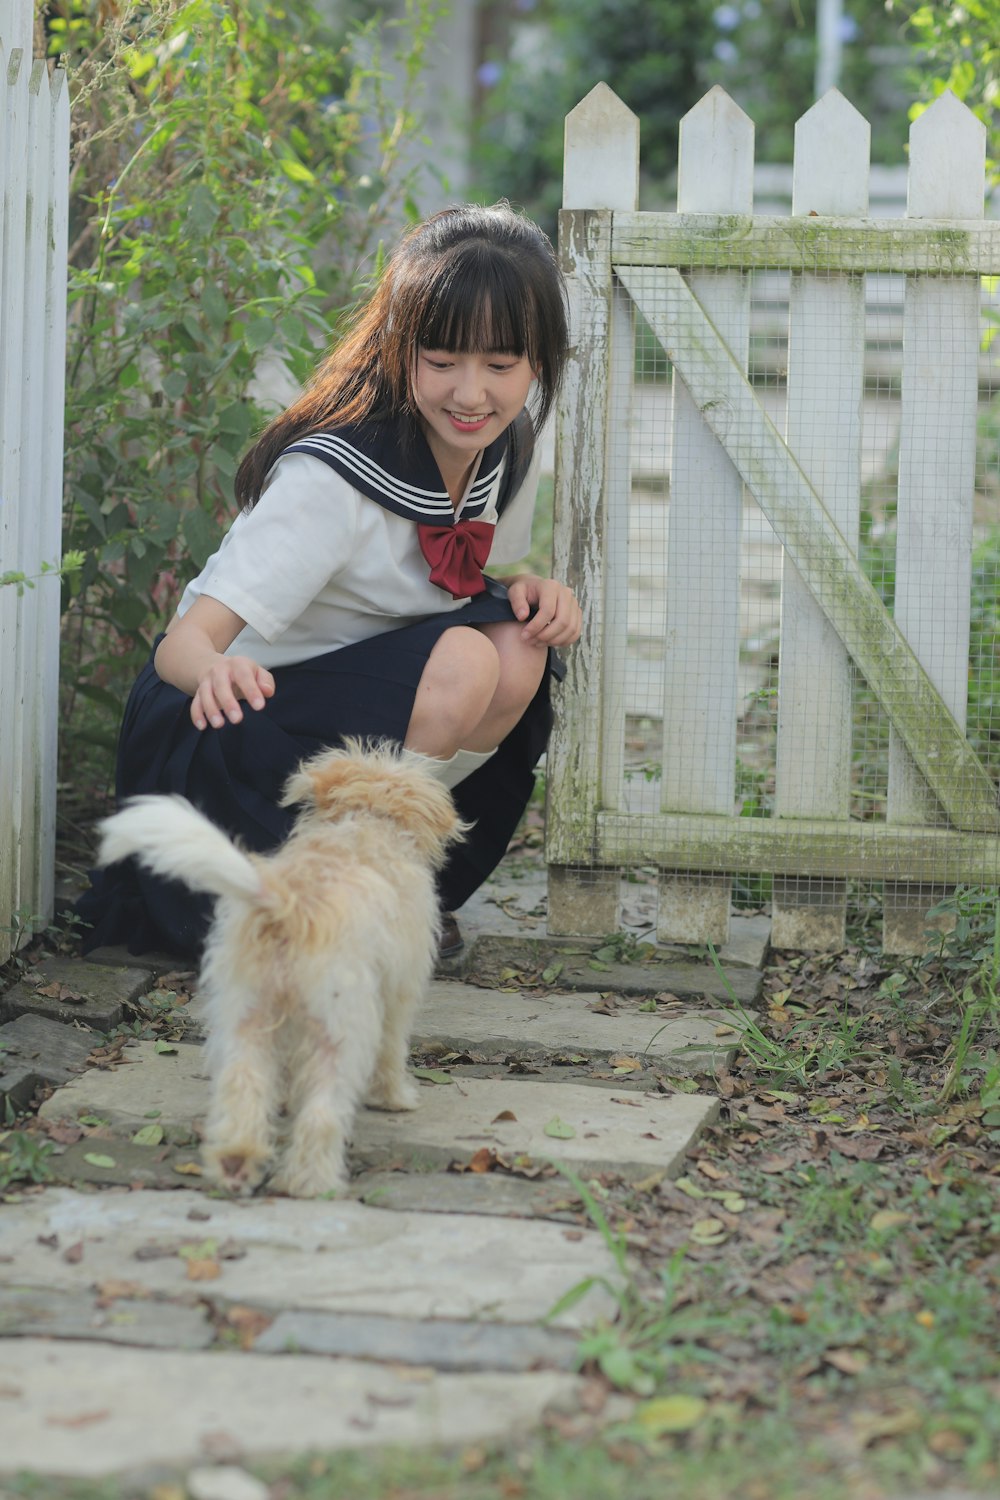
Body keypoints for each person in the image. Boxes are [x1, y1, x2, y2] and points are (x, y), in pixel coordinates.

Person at [76, 201, 581, 962]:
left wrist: (530, 587)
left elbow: (451, 574)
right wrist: (217, 671)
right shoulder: (330, 482)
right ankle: (346, 902)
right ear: (399, 347)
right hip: (224, 728)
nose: (470, 393)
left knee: (517, 646)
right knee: (470, 660)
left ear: (538, 361)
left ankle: (393, 888)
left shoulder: (502, 445)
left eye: (500, 365)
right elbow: (181, 649)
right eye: (442, 362)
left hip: (335, 707)